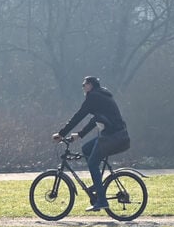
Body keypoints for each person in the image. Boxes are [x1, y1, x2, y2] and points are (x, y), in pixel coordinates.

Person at [52, 75, 130, 211]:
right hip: (115, 136)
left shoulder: (93, 97)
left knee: (93, 163)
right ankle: (97, 184)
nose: (83, 87)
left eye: (84, 84)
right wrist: (80, 135)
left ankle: (102, 201)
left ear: (90, 85)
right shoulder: (101, 96)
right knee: (86, 149)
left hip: (114, 137)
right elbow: (96, 119)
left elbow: (79, 115)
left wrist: (61, 134)